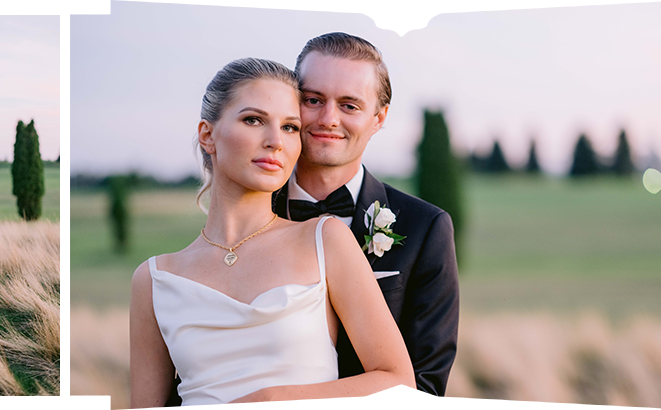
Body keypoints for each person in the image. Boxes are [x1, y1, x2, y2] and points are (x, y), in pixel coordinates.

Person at [129, 58, 415, 406]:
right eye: (253, 120)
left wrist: (271, 399)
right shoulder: (154, 279)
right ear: (208, 135)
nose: (275, 141)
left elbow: (398, 383)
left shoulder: (324, 241)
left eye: (290, 127)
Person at [273, 31, 459, 396]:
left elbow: (424, 385)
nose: (328, 118)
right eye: (313, 99)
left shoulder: (426, 229)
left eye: (349, 105)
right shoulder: (249, 214)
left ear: (378, 118)